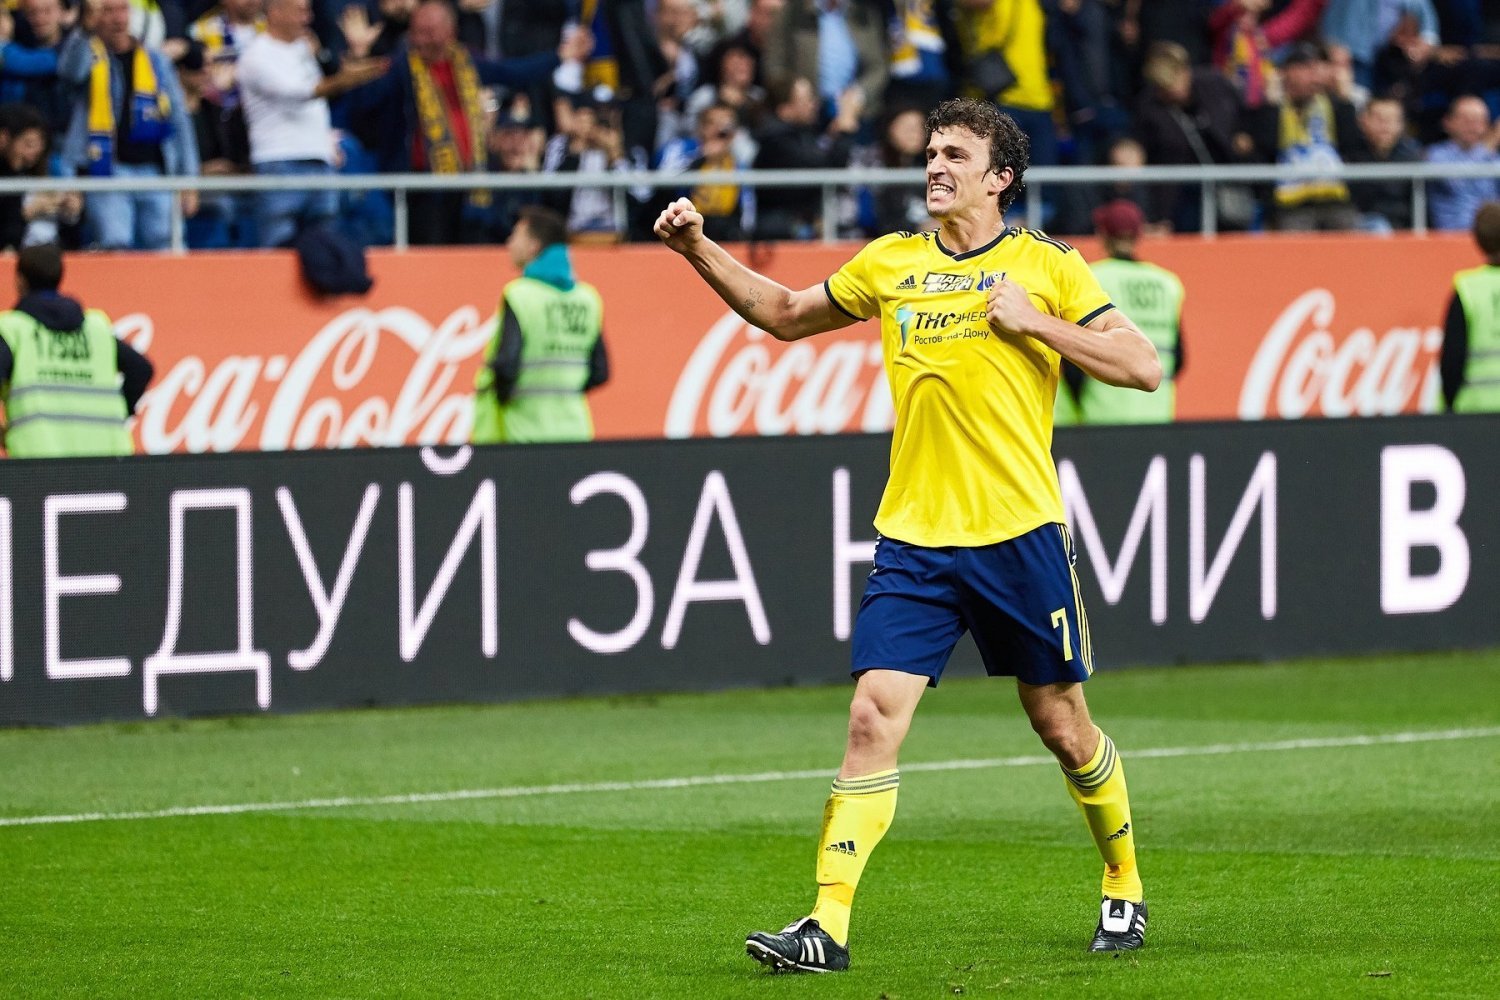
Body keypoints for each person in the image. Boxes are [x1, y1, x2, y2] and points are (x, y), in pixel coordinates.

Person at [654, 97, 1160, 972]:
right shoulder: (892, 261)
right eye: (930, 152)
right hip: (915, 540)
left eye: (955, 154)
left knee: (1062, 725)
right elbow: (785, 312)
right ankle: (827, 925)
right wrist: (698, 247)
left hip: (1019, 535)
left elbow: (1143, 365)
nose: (935, 165)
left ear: (1000, 178)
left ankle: (1123, 882)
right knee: (869, 717)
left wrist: (1035, 322)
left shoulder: (1047, 267)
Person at [236, 0, 386, 248]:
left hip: (319, 160)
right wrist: (349, 79)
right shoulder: (256, 55)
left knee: (324, 249)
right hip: (279, 161)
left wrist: (325, 140)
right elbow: (299, 93)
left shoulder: (303, 50)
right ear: (275, 12)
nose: (307, 18)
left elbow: (316, 107)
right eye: (300, 10)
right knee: (278, 249)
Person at [60, 0, 199, 250]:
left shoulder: (156, 61)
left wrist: (190, 180)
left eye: (122, 9)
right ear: (95, 17)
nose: (117, 19)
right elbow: (70, 72)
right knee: (115, 245)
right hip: (107, 172)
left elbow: (179, 122)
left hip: (157, 171)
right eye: (108, 11)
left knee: (168, 246)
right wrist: (85, 31)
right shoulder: (89, 56)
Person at [0, 243, 153, 458]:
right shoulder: (95, 328)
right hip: (106, 459)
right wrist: (119, 412)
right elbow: (141, 369)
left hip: (38, 461)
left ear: (19, 280)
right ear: (59, 277)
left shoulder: (13, 329)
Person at [472, 205, 609, 444]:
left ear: (533, 246)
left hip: (523, 435)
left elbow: (506, 366)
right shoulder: (587, 299)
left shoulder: (520, 295)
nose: (509, 242)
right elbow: (600, 372)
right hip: (575, 431)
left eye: (516, 235)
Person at [1058, 200, 1183, 425]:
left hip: (1100, 414)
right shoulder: (1168, 284)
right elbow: (1179, 359)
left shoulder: (1093, 277)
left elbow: (1074, 354)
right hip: (1157, 414)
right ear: (1138, 235)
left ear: (1103, 235)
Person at [1440, 200, 1500, 412]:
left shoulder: (1467, 289)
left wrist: (1449, 405)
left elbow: (1452, 359)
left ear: (1478, 240)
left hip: (1474, 411)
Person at [1426, 95, 1500, 232]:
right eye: (1465, 120)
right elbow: (1456, 183)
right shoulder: (1436, 154)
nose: (1472, 126)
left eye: (1478, 121)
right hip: (1451, 235)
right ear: (1448, 122)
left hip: (1490, 236)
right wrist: (1487, 147)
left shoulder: (1494, 158)